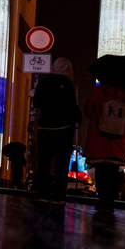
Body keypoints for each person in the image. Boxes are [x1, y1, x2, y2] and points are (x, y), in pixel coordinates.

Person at [84, 74, 125, 214]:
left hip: (99, 139)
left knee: (101, 172)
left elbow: (88, 111)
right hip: (118, 142)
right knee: (114, 173)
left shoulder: (97, 91)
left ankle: (101, 200)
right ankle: (110, 202)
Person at [34, 57, 81, 201]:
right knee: (61, 165)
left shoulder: (43, 82)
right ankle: (59, 196)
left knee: (44, 164)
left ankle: (43, 194)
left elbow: (37, 103)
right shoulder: (68, 84)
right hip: (63, 129)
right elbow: (72, 106)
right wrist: (77, 119)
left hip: (44, 129)